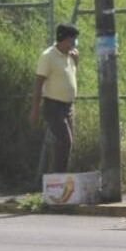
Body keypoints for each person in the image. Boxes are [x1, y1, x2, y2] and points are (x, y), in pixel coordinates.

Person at [30, 23, 80, 173]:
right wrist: (35, 110)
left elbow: (69, 76)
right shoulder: (48, 56)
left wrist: (77, 61)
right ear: (63, 40)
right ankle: (57, 180)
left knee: (66, 144)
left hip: (68, 106)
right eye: (72, 40)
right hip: (54, 106)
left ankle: (59, 179)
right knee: (65, 141)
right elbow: (39, 84)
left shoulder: (71, 55)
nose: (74, 44)